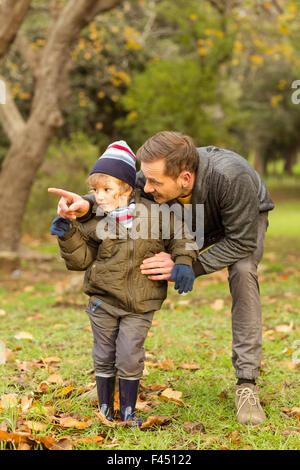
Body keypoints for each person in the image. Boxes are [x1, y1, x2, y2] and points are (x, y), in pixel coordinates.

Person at [52, 131, 274, 426]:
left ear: (185, 178)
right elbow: (122, 190)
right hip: (184, 218)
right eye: (145, 178)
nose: (147, 185)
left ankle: (246, 383)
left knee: (244, 271)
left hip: (238, 219)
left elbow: (241, 242)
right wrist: (87, 204)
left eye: (154, 182)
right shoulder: (153, 176)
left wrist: (186, 267)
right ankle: (112, 382)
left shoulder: (233, 178)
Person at [49, 140, 198, 427]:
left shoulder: (157, 215)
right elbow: (80, 261)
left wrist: (184, 262)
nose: (99, 197)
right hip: (103, 301)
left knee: (129, 356)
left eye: (107, 189)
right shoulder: (94, 222)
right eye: (95, 190)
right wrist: (67, 235)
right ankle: (105, 406)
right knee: (104, 355)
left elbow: (182, 237)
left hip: (140, 304)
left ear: (128, 188)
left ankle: (128, 410)